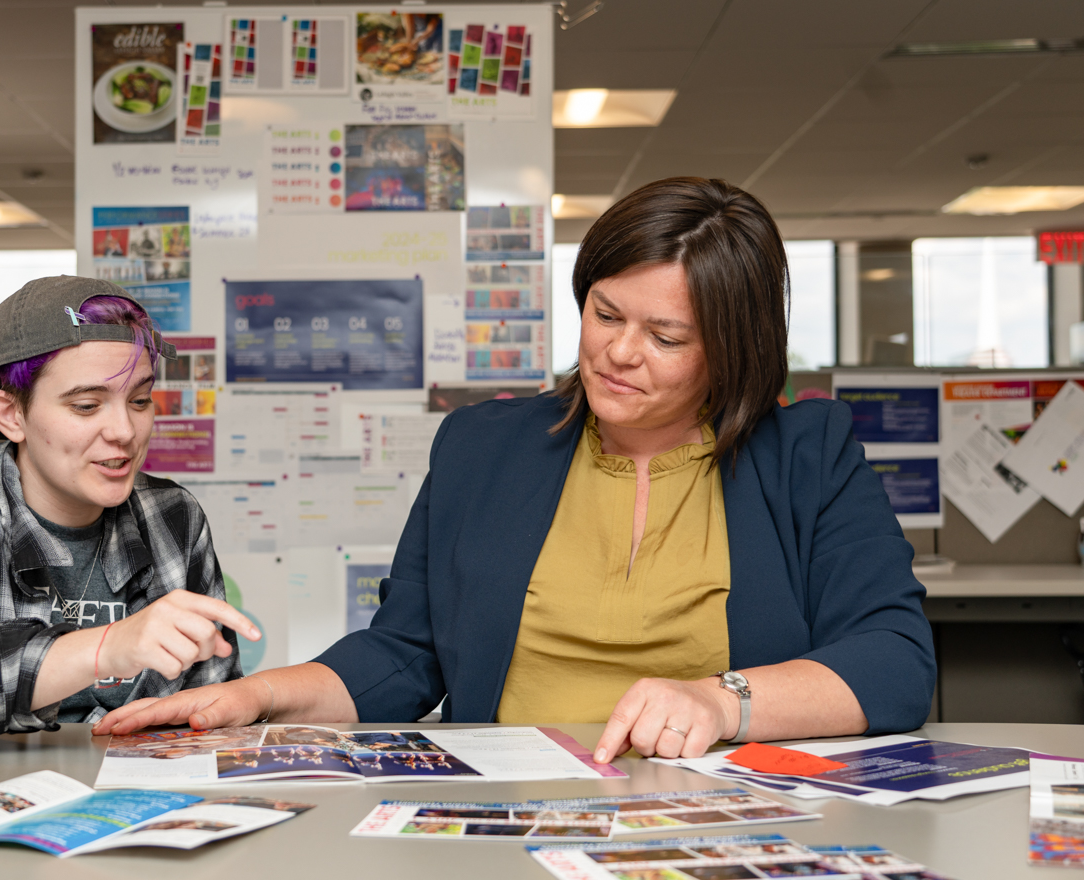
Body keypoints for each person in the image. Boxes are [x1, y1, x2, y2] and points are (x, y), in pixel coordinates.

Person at [90, 177, 936, 762]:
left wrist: (722, 702)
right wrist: (261, 698)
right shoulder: (482, 447)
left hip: (721, 818)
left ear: (732, 349)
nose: (618, 352)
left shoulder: (808, 454)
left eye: (666, 337)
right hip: (512, 814)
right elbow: (405, 653)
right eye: (605, 313)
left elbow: (895, 661)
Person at [0, 276, 258, 749]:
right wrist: (101, 648)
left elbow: (212, 700)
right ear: (11, 416)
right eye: (86, 405)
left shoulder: (173, 517)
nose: (124, 431)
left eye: (139, 401)